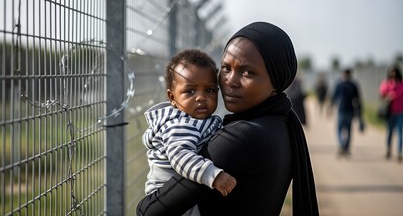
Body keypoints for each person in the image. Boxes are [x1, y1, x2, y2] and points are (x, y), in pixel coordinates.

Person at [137, 22, 319, 216]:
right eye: (226, 68)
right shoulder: (281, 123)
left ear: (276, 80)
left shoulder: (240, 137)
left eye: (248, 72)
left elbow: (149, 212)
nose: (230, 81)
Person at [142, 49, 237, 214]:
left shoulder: (195, 119)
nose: (201, 97)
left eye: (209, 90)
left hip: (183, 190)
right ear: (172, 98)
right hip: (167, 195)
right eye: (190, 91)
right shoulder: (180, 124)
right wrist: (213, 175)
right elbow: (180, 156)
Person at [331, 69, 364, 156]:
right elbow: (358, 99)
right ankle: (344, 146)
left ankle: (343, 146)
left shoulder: (341, 84)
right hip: (346, 111)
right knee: (345, 130)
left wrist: (330, 107)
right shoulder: (352, 85)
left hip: (346, 111)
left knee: (342, 130)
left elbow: (334, 97)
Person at [379, 66, 403, 162]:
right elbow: (382, 93)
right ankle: (388, 150)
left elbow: (397, 93)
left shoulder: (401, 84)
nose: (393, 75)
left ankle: (399, 152)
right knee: (389, 132)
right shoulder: (386, 83)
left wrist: (392, 92)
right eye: (391, 73)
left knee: (400, 133)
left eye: (395, 73)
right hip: (389, 112)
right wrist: (388, 95)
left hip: (400, 112)